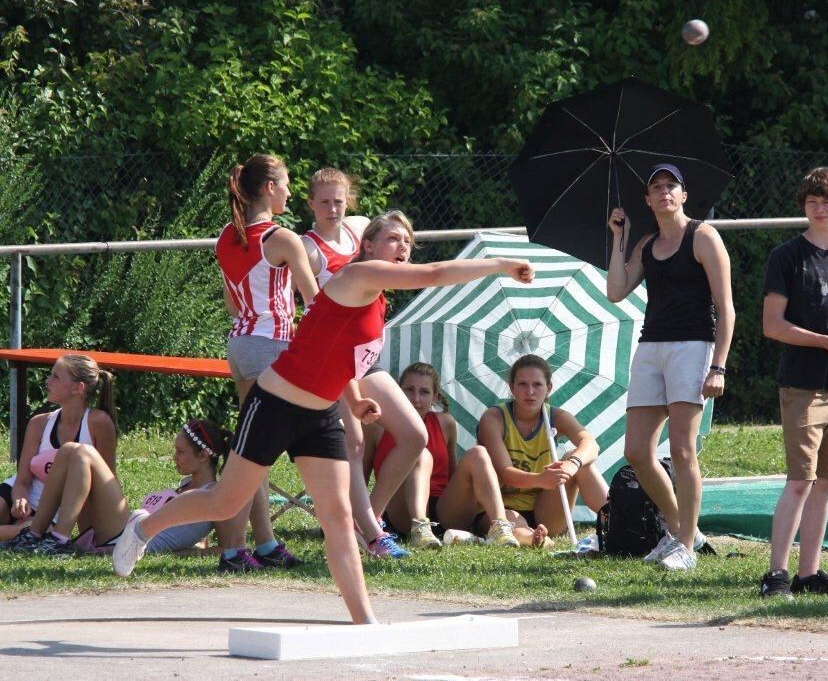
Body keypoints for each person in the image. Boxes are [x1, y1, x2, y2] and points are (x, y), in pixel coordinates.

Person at [113, 210, 535, 626]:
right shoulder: (358, 275)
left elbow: (337, 353)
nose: (403, 246)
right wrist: (500, 264)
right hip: (274, 404)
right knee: (226, 500)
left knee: (338, 520)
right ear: (367, 245)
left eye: (408, 240)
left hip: (320, 416)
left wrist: (354, 400)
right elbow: (435, 273)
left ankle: (364, 621)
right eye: (393, 238)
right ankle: (145, 528)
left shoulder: (376, 300)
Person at [606, 163, 735, 571]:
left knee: (681, 449)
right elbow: (615, 291)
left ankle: (686, 547)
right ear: (647, 199)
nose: (664, 191)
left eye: (671, 185)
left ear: (683, 195)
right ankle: (680, 530)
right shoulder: (646, 243)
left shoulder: (704, 236)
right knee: (636, 452)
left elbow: (727, 308)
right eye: (656, 187)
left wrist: (719, 367)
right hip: (651, 346)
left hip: (693, 346)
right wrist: (619, 237)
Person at [759, 167, 828, 598]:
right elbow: (773, 325)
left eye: (827, 201)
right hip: (803, 384)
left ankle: (809, 573)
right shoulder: (787, 256)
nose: (820, 208)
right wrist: (826, 342)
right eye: (812, 201)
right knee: (800, 481)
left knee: (825, 481)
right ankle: (776, 574)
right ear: (804, 206)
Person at [301, 168, 419, 559]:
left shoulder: (357, 231)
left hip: (363, 359)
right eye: (324, 202)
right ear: (310, 204)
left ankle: (369, 520)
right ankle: (372, 533)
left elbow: (375, 226)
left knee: (414, 435)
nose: (333, 208)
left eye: (339, 200)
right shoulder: (308, 248)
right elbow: (308, 306)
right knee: (352, 442)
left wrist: (393, 238)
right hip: (332, 358)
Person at [215, 153, 318, 572]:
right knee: (256, 455)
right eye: (287, 184)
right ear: (270, 187)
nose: (290, 192)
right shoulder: (282, 238)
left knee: (253, 451)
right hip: (270, 345)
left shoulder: (228, 235)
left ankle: (263, 543)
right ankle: (232, 550)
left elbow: (231, 304)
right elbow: (314, 302)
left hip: (241, 345)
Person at [4, 419, 231, 556]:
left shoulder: (214, 496)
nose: (174, 457)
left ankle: (58, 541)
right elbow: (189, 534)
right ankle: (34, 535)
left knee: (83, 453)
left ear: (203, 456)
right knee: (68, 451)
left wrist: (185, 553)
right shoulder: (185, 485)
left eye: (180, 452)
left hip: (127, 538)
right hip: (121, 529)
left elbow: (226, 547)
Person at [364, 362, 521, 548]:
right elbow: (361, 477)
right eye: (409, 390)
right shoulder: (377, 427)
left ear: (435, 398)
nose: (416, 399)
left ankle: (500, 526)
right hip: (401, 508)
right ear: (398, 392)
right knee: (419, 453)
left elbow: (453, 474)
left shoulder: (446, 423)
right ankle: (420, 527)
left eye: (424, 392)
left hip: (443, 508)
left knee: (478, 453)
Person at [477, 354, 608, 543]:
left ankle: (618, 519)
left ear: (548, 388)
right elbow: (506, 474)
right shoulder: (494, 418)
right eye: (522, 384)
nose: (530, 391)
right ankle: (534, 539)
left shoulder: (556, 416)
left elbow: (591, 444)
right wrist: (541, 479)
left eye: (537, 385)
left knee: (579, 459)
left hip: (545, 508)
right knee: (512, 521)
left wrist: (572, 463)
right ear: (512, 388)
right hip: (502, 506)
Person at [1, 355, 117, 541]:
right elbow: (22, 480)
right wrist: (19, 499)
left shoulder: (98, 423)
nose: (48, 381)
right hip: (21, 496)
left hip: (54, 512)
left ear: (78, 388)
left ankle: (20, 531)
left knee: (36, 529)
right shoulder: (39, 423)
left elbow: (107, 481)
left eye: (56, 377)